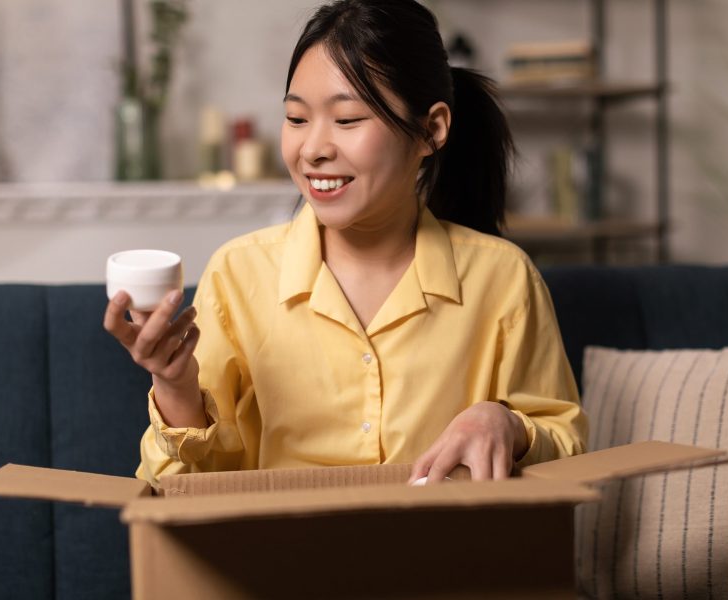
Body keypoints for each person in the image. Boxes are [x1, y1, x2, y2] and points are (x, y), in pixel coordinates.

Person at [104, 0, 587, 488]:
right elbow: (180, 490)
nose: (313, 148)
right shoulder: (239, 274)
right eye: (296, 119)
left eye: (348, 119)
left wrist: (506, 423)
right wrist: (174, 385)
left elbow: (565, 446)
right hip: (281, 556)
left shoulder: (502, 278)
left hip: (443, 557)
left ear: (431, 130)